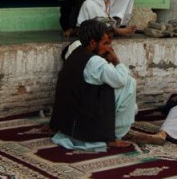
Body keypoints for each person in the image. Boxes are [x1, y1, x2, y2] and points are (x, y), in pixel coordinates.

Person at [49, 19, 163, 151]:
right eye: (105, 43)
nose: (108, 47)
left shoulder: (76, 52)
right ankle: (114, 136)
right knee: (129, 83)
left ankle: (114, 130)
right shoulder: (95, 62)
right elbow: (121, 80)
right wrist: (116, 61)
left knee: (129, 103)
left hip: (69, 122)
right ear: (92, 43)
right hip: (84, 123)